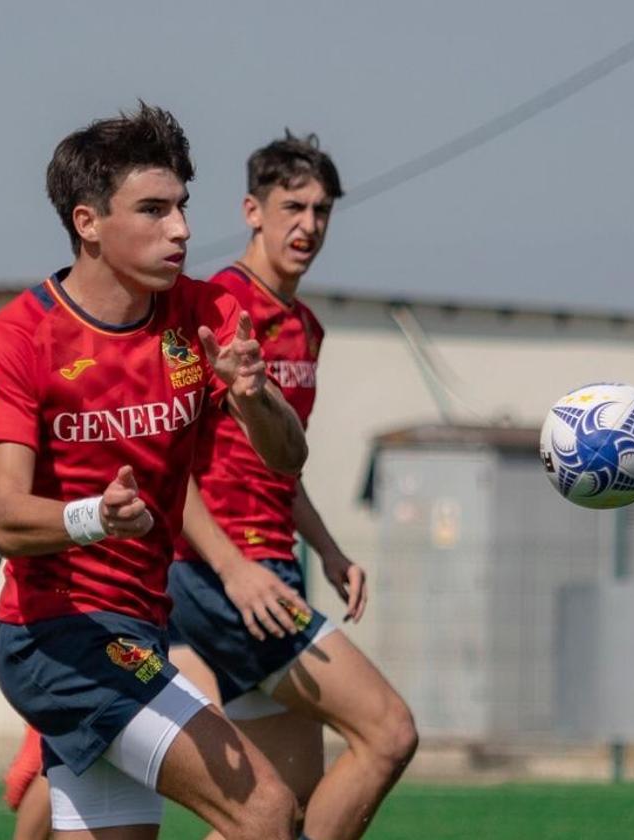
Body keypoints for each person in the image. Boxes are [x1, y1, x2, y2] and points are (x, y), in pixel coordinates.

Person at [0, 103, 309, 840]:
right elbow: (8, 515)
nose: (181, 229)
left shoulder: (205, 313)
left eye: (182, 207)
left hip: (140, 626)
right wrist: (92, 517)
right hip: (57, 638)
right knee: (266, 809)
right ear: (87, 222)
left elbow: (288, 458)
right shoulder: (14, 342)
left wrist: (255, 394)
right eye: (153, 209)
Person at [167, 133, 419, 840]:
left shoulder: (305, 328)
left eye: (322, 210)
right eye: (292, 206)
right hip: (224, 578)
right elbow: (169, 463)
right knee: (388, 730)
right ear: (253, 209)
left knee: (278, 810)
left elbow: (283, 467)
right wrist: (233, 567)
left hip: (272, 571)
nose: (308, 225)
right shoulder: (217, 307)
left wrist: (333, 554)